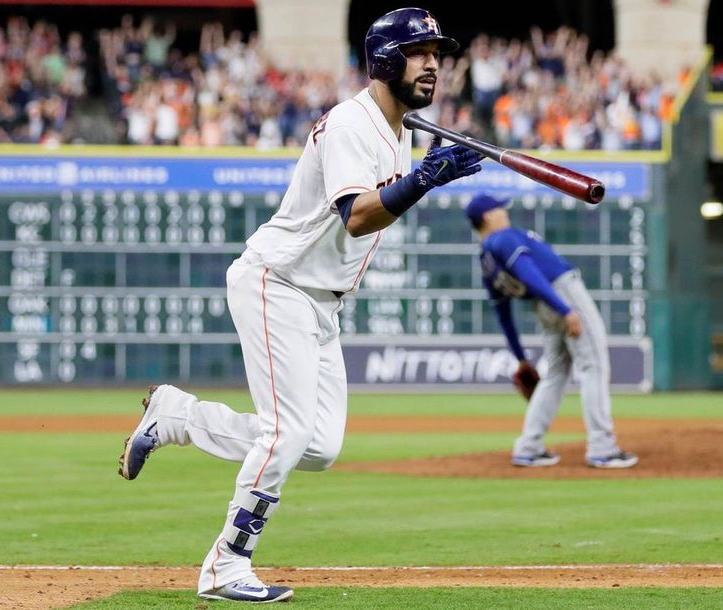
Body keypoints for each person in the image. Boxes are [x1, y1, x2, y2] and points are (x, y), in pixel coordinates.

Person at [118, 8, 483, 604]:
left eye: (438, 54)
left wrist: (424, 174)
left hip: (321, 304)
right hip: (277, 282)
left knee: (317, 447)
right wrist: (424, 181)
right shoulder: (351, 124)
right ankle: (225, 564)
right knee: (287, 435)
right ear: (386, 59)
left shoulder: (404, 130)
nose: (434, 64)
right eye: (421, 52)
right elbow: (357, 215)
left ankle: (176, 417)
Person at [465, 193, 638, 470]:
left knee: (556, 374)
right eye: (500, 209)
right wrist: (566, 309)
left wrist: (520, 357)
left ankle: (529, 447)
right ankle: (603, 448)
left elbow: (503, 312)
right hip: (560, 293)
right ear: (487, 216)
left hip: (541, 305)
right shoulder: (503, 237)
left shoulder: (485, 258)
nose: (505, 213)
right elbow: (529, 271)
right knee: (594, 366)